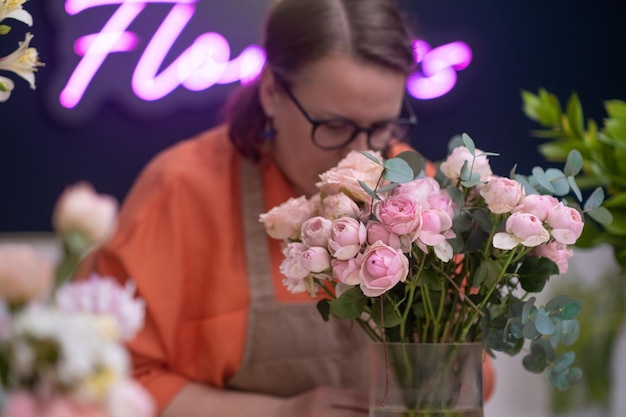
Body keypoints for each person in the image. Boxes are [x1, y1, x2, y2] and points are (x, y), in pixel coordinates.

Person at [86, 0, 494, 416]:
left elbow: (472, 373)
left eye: (380, 128)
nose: (363, 155)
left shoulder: (421, 198)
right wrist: (280, 413)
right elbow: (106, 379)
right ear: (271, 92)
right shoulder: (181, 189)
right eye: (334, 125)